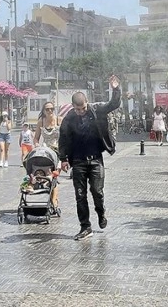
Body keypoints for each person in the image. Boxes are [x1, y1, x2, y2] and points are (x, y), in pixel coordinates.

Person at [59, 75, 121, 241]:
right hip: (78, 161)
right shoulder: (69, 118)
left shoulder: (96, 109)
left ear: (87, 103)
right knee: (80, 195)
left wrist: (115, 89)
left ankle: (101, 213)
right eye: (78, 109)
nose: (81, 112)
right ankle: (85, 227)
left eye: (83, 108)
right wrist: (63, 158)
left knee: (97, 191)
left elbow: (113, 104)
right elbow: (63, 138)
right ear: (73, 107)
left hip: (95, 160)